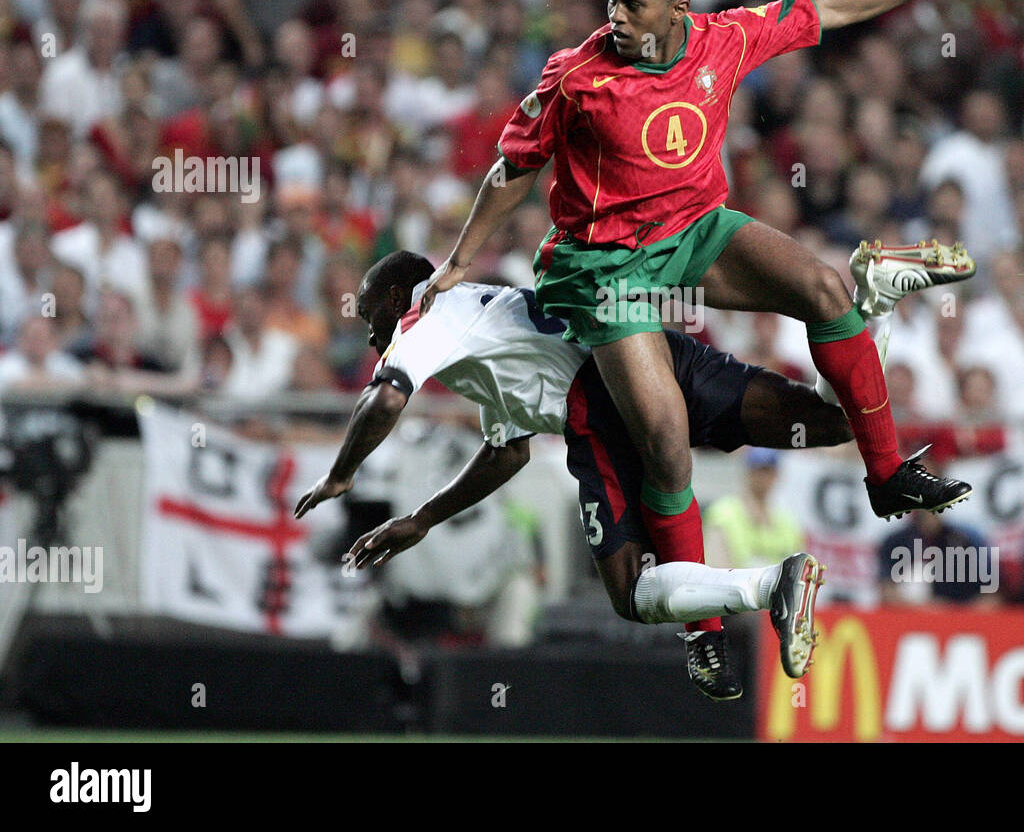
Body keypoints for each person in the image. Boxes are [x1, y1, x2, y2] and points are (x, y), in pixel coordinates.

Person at [418, 0, 982, 633]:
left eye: (632, 3)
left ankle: (888, 471)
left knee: (824, 290)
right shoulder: (577, 77)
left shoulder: (725, 38)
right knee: (664, 434)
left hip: (693, 231)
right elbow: (513, 170)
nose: (615, 16)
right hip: (605, 267)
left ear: (678, 11)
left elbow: (830, 5)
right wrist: (459, 259)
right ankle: (703, 630)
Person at [295, 247, 951, 699]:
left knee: (632, 592)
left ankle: (772, 583)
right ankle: (876, 297)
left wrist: (342, 474)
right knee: (832, 421)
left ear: (390, 295)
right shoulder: (483, 326)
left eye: (368, 317)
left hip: (603, 403)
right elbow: (507, 450)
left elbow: (385, 396)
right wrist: (420, 519)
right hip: (660, 354)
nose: (371, 332)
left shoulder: (428, 313)